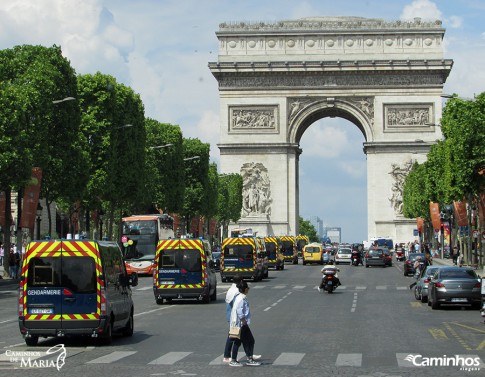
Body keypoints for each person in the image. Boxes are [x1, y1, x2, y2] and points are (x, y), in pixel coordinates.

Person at [229, 280, 261, 367]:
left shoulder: (239, 297)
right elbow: (239, 311)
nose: (248, 290)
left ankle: (249, 358)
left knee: (248, 341)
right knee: (241, 342)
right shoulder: (241, 298)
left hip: (241, 324)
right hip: (241, 324)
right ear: (245, 289)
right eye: (248, 288)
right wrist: (243, 321)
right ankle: (235, 360)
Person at [222, 274, 242, 363]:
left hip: (230, 316)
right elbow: (236, 306)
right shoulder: (236, 291)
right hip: (235, 317)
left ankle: (250, 354)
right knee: (233, 336)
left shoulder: (230, 289)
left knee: (240, 336)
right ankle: (227, 356)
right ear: (240, 281)